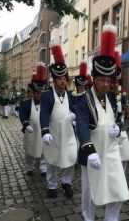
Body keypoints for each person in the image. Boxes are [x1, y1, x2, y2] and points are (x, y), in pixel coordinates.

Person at [76, 24, 129, 221]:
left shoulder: (112, 98)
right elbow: (81, 126)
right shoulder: (83, 99)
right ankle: (88, 217)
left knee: (118, 188)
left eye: (108, 81)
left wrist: (118, 127)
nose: (105, 85)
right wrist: (89, 151)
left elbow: (116, 119)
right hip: (92, 153)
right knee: (90, 191)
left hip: (112, 151)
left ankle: (111, 218)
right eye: (101, 80)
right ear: (93, 79)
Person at [40, 42, 77, 199]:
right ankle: (52, 185)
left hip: (68, 134)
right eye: (60, 79)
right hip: (54, 134)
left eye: (64, 79)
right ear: (54, 80)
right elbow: (44, 114)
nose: (63, 81)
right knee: (52, 160)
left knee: (71, 158)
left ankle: (66, 182)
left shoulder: (71, 96)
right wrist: (45, 131)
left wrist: (75, 117)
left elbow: (76, 111)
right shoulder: (47, 96)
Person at [19, 64, 47, 177]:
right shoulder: (26, 103)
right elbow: (22, 115)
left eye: (41, 94)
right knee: (30, 150)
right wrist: (26, 125)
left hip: (42, 131)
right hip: (31, 131)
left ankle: (43, 168)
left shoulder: (46, 104)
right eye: (37, 93)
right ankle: (29, 167)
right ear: (34, 93)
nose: (39, 95)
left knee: (44, 150)